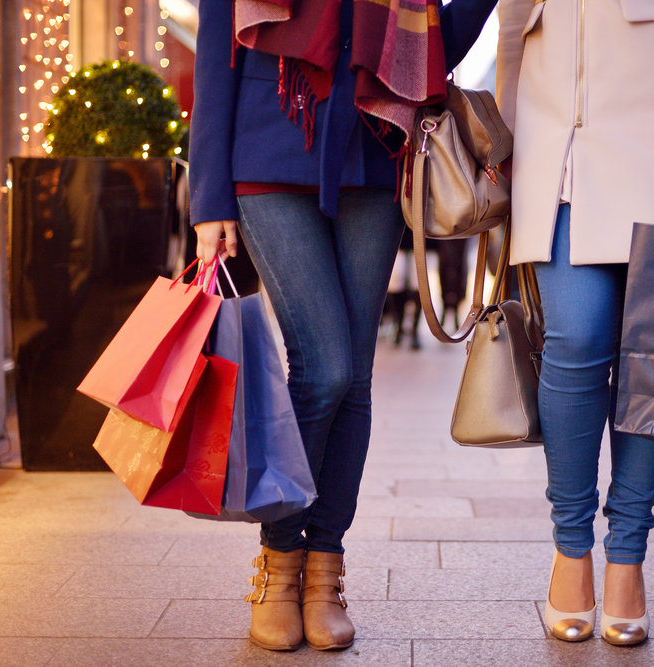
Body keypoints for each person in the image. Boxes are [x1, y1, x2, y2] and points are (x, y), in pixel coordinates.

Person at [190, 0, 497, 652]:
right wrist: (207, 197)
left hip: (378, 152)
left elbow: (439, 42)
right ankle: (279, 563)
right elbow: (216, 45)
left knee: (353, 375)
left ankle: (323, 568)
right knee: (323, 365)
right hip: (269, 144)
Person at [496, 0, 654, 647]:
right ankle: (571, 547)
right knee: (575, 335)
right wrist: (498, 131)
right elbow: (508, 18)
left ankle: (628, 555)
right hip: (553, 141)